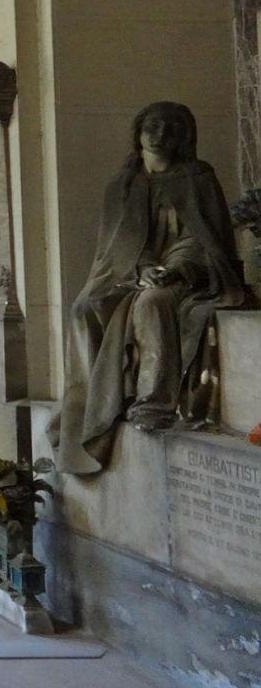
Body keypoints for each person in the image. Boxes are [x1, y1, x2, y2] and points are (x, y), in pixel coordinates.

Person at [49, 102, 245, 474]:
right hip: (128, 273)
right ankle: (93, 405)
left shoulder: (198, 178)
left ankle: (153, 402)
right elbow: (113, 245)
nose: (160, 133)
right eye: (152, 125)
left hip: (188, 276)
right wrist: (141, 269)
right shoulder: (122, 184)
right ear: (138, 132)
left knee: (152, 304)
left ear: (184, 136)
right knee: (84, 308)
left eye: (172, 127)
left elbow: (206, 240)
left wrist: (173, 270)